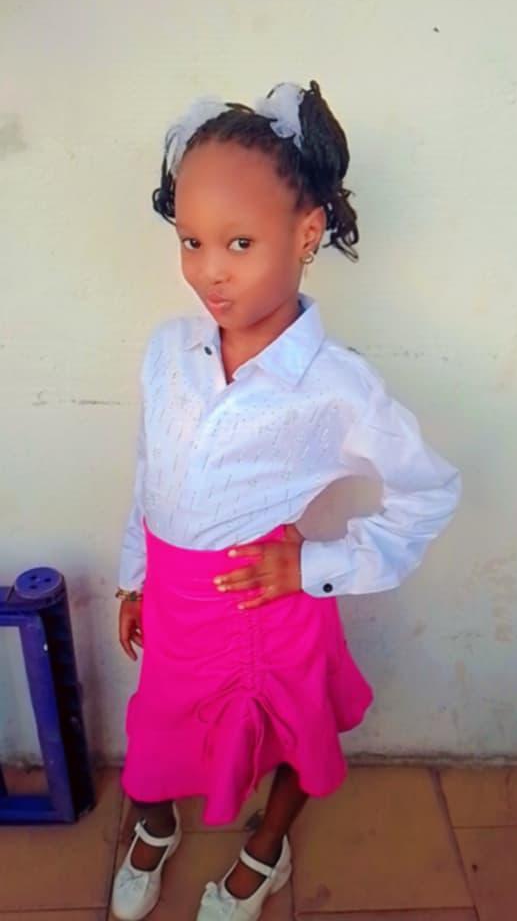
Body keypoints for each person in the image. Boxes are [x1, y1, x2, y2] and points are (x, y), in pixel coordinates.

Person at [111, 80, 461, 921]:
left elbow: (429, 490)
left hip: (266, 609)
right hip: (177, 607)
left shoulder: (336, 386)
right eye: (192, 241)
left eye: (239, 242)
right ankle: (154, 822)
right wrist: (135, 573)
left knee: (294, 735)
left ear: (306, 234)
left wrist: (317, 565)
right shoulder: (169, 350)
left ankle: (266, 848)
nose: (210, 270)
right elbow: (151, 468)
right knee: (157, 732)